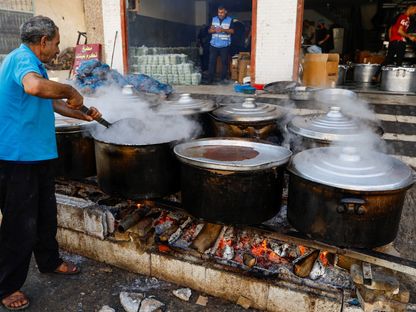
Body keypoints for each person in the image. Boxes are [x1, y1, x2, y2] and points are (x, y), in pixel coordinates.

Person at [0, 16, 102, 310]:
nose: (59, 49)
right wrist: (70, 90)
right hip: (17, 158)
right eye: (56, 43)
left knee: (45, 216)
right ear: (43, 42)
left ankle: (49, 261)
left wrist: (82, 114)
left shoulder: (35, 63)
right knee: (19, 225)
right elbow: (34, 87)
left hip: (37, 155)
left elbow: (49, 101)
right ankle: (6, 286)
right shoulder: (22, 60)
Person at [207, 5, 235, 84]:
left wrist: (223, 29)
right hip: (214, 45)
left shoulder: (230, 20)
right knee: (212, 62)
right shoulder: (213, 19)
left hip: (224, 45)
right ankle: (210, 80)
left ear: (225, 12)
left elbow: (232, 31)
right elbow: (209, 31)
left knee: (224, 63)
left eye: (222, 12)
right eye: (219, 12)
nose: (220, 14)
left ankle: (222, 79)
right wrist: (215, 30)